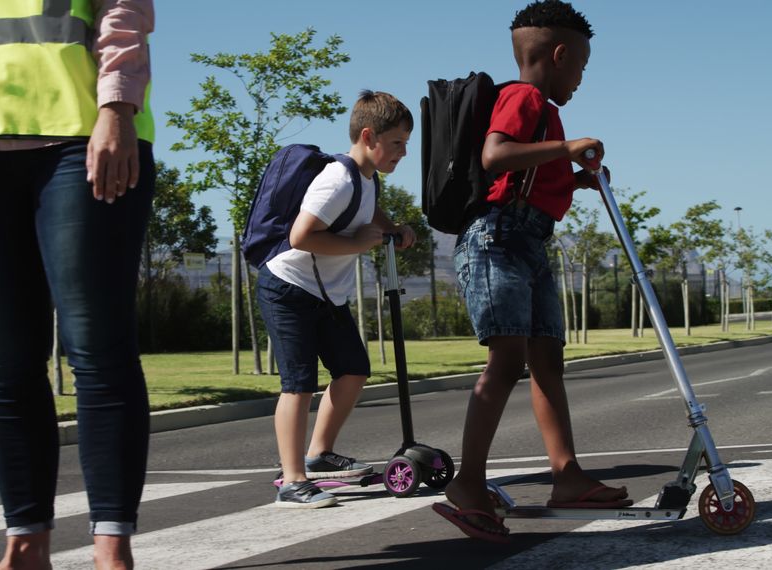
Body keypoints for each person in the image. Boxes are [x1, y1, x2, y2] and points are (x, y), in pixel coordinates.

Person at [0, 1, 156, 568]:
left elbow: (121, 9)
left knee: (96, 349)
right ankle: (25, 544)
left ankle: (111, 550)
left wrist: (118, 106)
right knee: (4, 363)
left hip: (79, 137)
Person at [434, 0, 630, 543]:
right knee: (508, 360)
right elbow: (497, 156)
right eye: (582, 66)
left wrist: (572, 176)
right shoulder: (523, 97)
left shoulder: (542, 107)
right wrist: (567, 148)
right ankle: (468, 483)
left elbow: (528, 170)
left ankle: (566, 475)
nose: (582, 78)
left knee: (548, 358)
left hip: (528, 239)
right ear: (561, 54)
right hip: (498, 239)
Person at [257, 90, 417, 509]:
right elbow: (301, 236)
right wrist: (357, 245)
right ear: (369, 136)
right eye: (398, 142)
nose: (404, 152)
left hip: (326, 295)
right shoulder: (337, 179)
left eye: (406, 143)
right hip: (289, 287)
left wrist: (392, 228)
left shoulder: (365, 179)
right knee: (298, 385)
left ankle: (318, 456)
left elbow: (367, 212)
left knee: (352, 371)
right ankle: (292, 481)